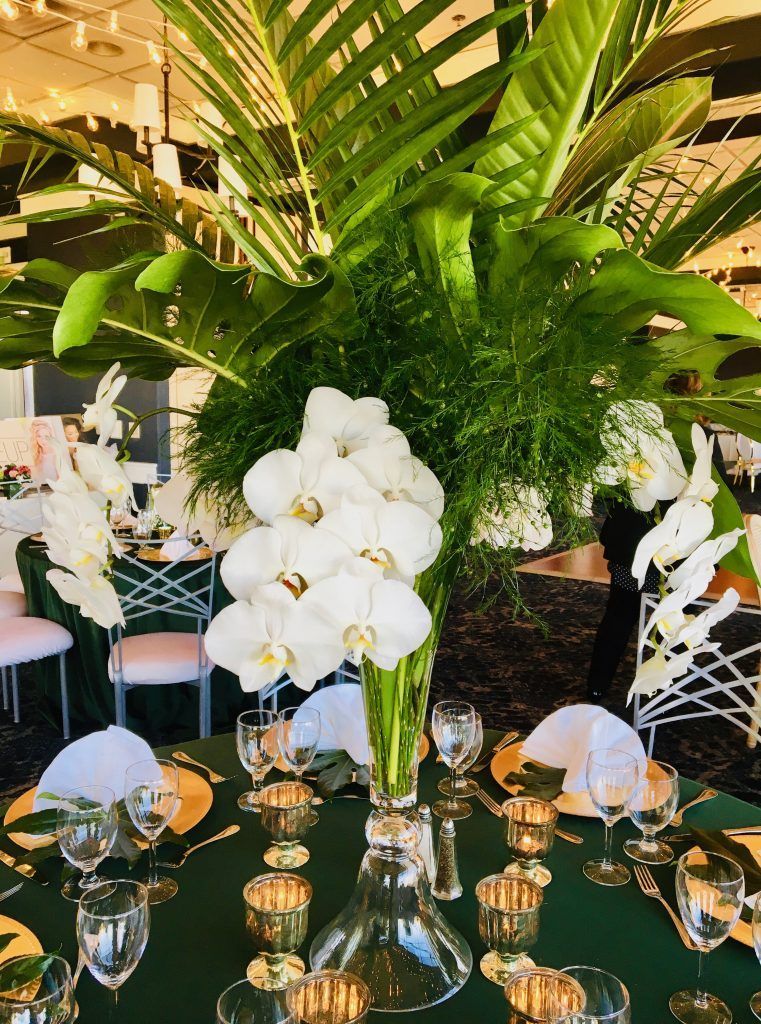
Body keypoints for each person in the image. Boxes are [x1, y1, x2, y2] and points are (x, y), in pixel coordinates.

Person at [586, 373, 729, 703]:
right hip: (681, 551)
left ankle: (598, 684)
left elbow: (613, 491)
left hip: (633, 542)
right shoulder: (701, 436)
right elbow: (717, 497)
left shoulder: (634, 430)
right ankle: (670, 686)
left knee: (619, 614)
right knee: (677, 613)